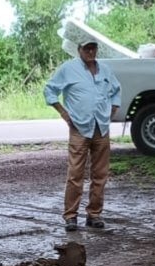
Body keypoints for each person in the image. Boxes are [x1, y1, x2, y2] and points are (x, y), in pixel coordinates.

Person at [43, 39, 121, 231]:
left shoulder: (105, 70)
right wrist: (63, 112)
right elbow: (50, 90)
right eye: (87, 48)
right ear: (79, 50)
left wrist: (112, 110)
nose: (90, 51)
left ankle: (94, 214)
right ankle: (71, 216)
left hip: (101, 129)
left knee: (100, 174)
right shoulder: (68, 68)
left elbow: (116, 90)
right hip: (79, 128)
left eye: (93, 48)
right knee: (75, 174)